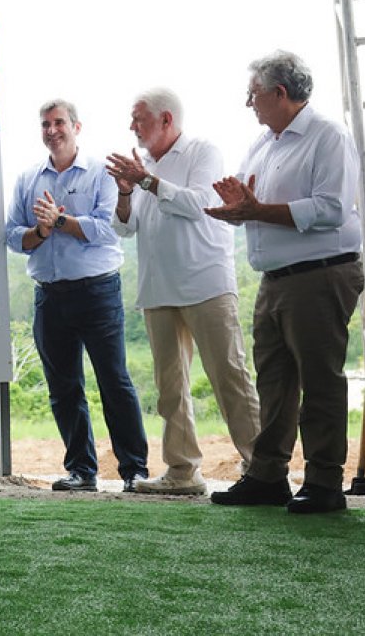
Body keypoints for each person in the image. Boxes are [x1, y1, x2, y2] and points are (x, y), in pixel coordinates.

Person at [206, 50, 363, 514]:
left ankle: (324, 482)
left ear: (279, 93)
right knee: (273, 380)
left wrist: (255, 211)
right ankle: (268, 475)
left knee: (319, 380)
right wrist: (240, 208)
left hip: (319, 275)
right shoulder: (263, 143)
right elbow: (257, 203)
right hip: (275, 279)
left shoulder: (327, 136)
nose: (248, 103)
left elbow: (332, 208)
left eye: (253, 94)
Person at [106, 88, 261, 495]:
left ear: (166, 120)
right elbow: (124, 228)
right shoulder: (144, 167)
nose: (132, 126)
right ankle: (182, 471)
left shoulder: (202, 152)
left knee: (230, 378)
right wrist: (126, 191)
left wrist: (146, 181)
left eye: (138, 118)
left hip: (205, 284)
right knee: (170, 388)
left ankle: (263, 468)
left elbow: (198, 204)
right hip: (158, 289)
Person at [6, 99, 149, 492]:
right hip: (49, 297)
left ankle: (135, 470)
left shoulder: (101, 174)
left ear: (76, 127)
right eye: (45, 124)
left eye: (59, 123)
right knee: (64, 387)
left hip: (97, 292)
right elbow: (12, 235)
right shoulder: (27, 178)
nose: (52, 130)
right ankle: (82, 470)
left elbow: (108, 230)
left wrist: (61, 221)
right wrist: (41, 233)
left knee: (114, 381)